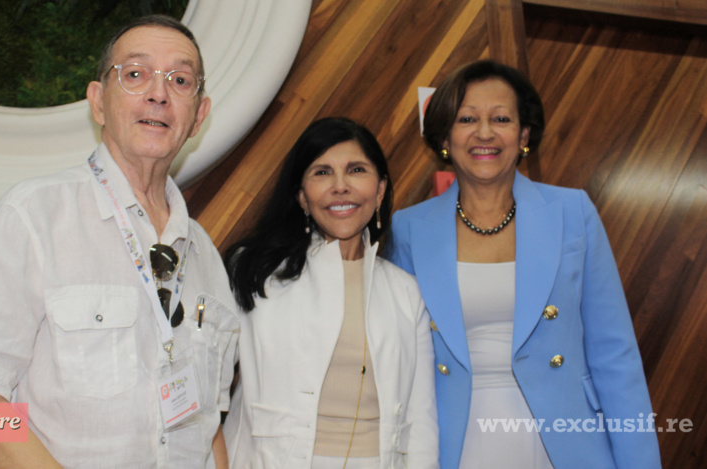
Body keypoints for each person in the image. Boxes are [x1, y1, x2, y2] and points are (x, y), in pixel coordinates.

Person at [0, 15, 239, 468]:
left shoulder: (206, 257)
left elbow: (208, 422)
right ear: (97, 101)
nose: (159, 93)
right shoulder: (33, 215)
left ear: (199, 115)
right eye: (135, 74)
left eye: (180, 79)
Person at [388, 60, 661, 469]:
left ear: (524, 134)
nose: (484, 132)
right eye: (467, 118)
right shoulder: (407, 228)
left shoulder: (573, 211)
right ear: (445, 135)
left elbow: (615, 355)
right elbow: (400, 362)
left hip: (567, 444)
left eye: (501, 118)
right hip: (451, 444)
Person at [222, 117, 439, 468]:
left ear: (380, 189)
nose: (340, 186)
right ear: (302, 197)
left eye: (356, 170)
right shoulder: (254, 273)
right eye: (322, 172)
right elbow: (208, 388)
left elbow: (422, 418)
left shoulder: (406, 291)